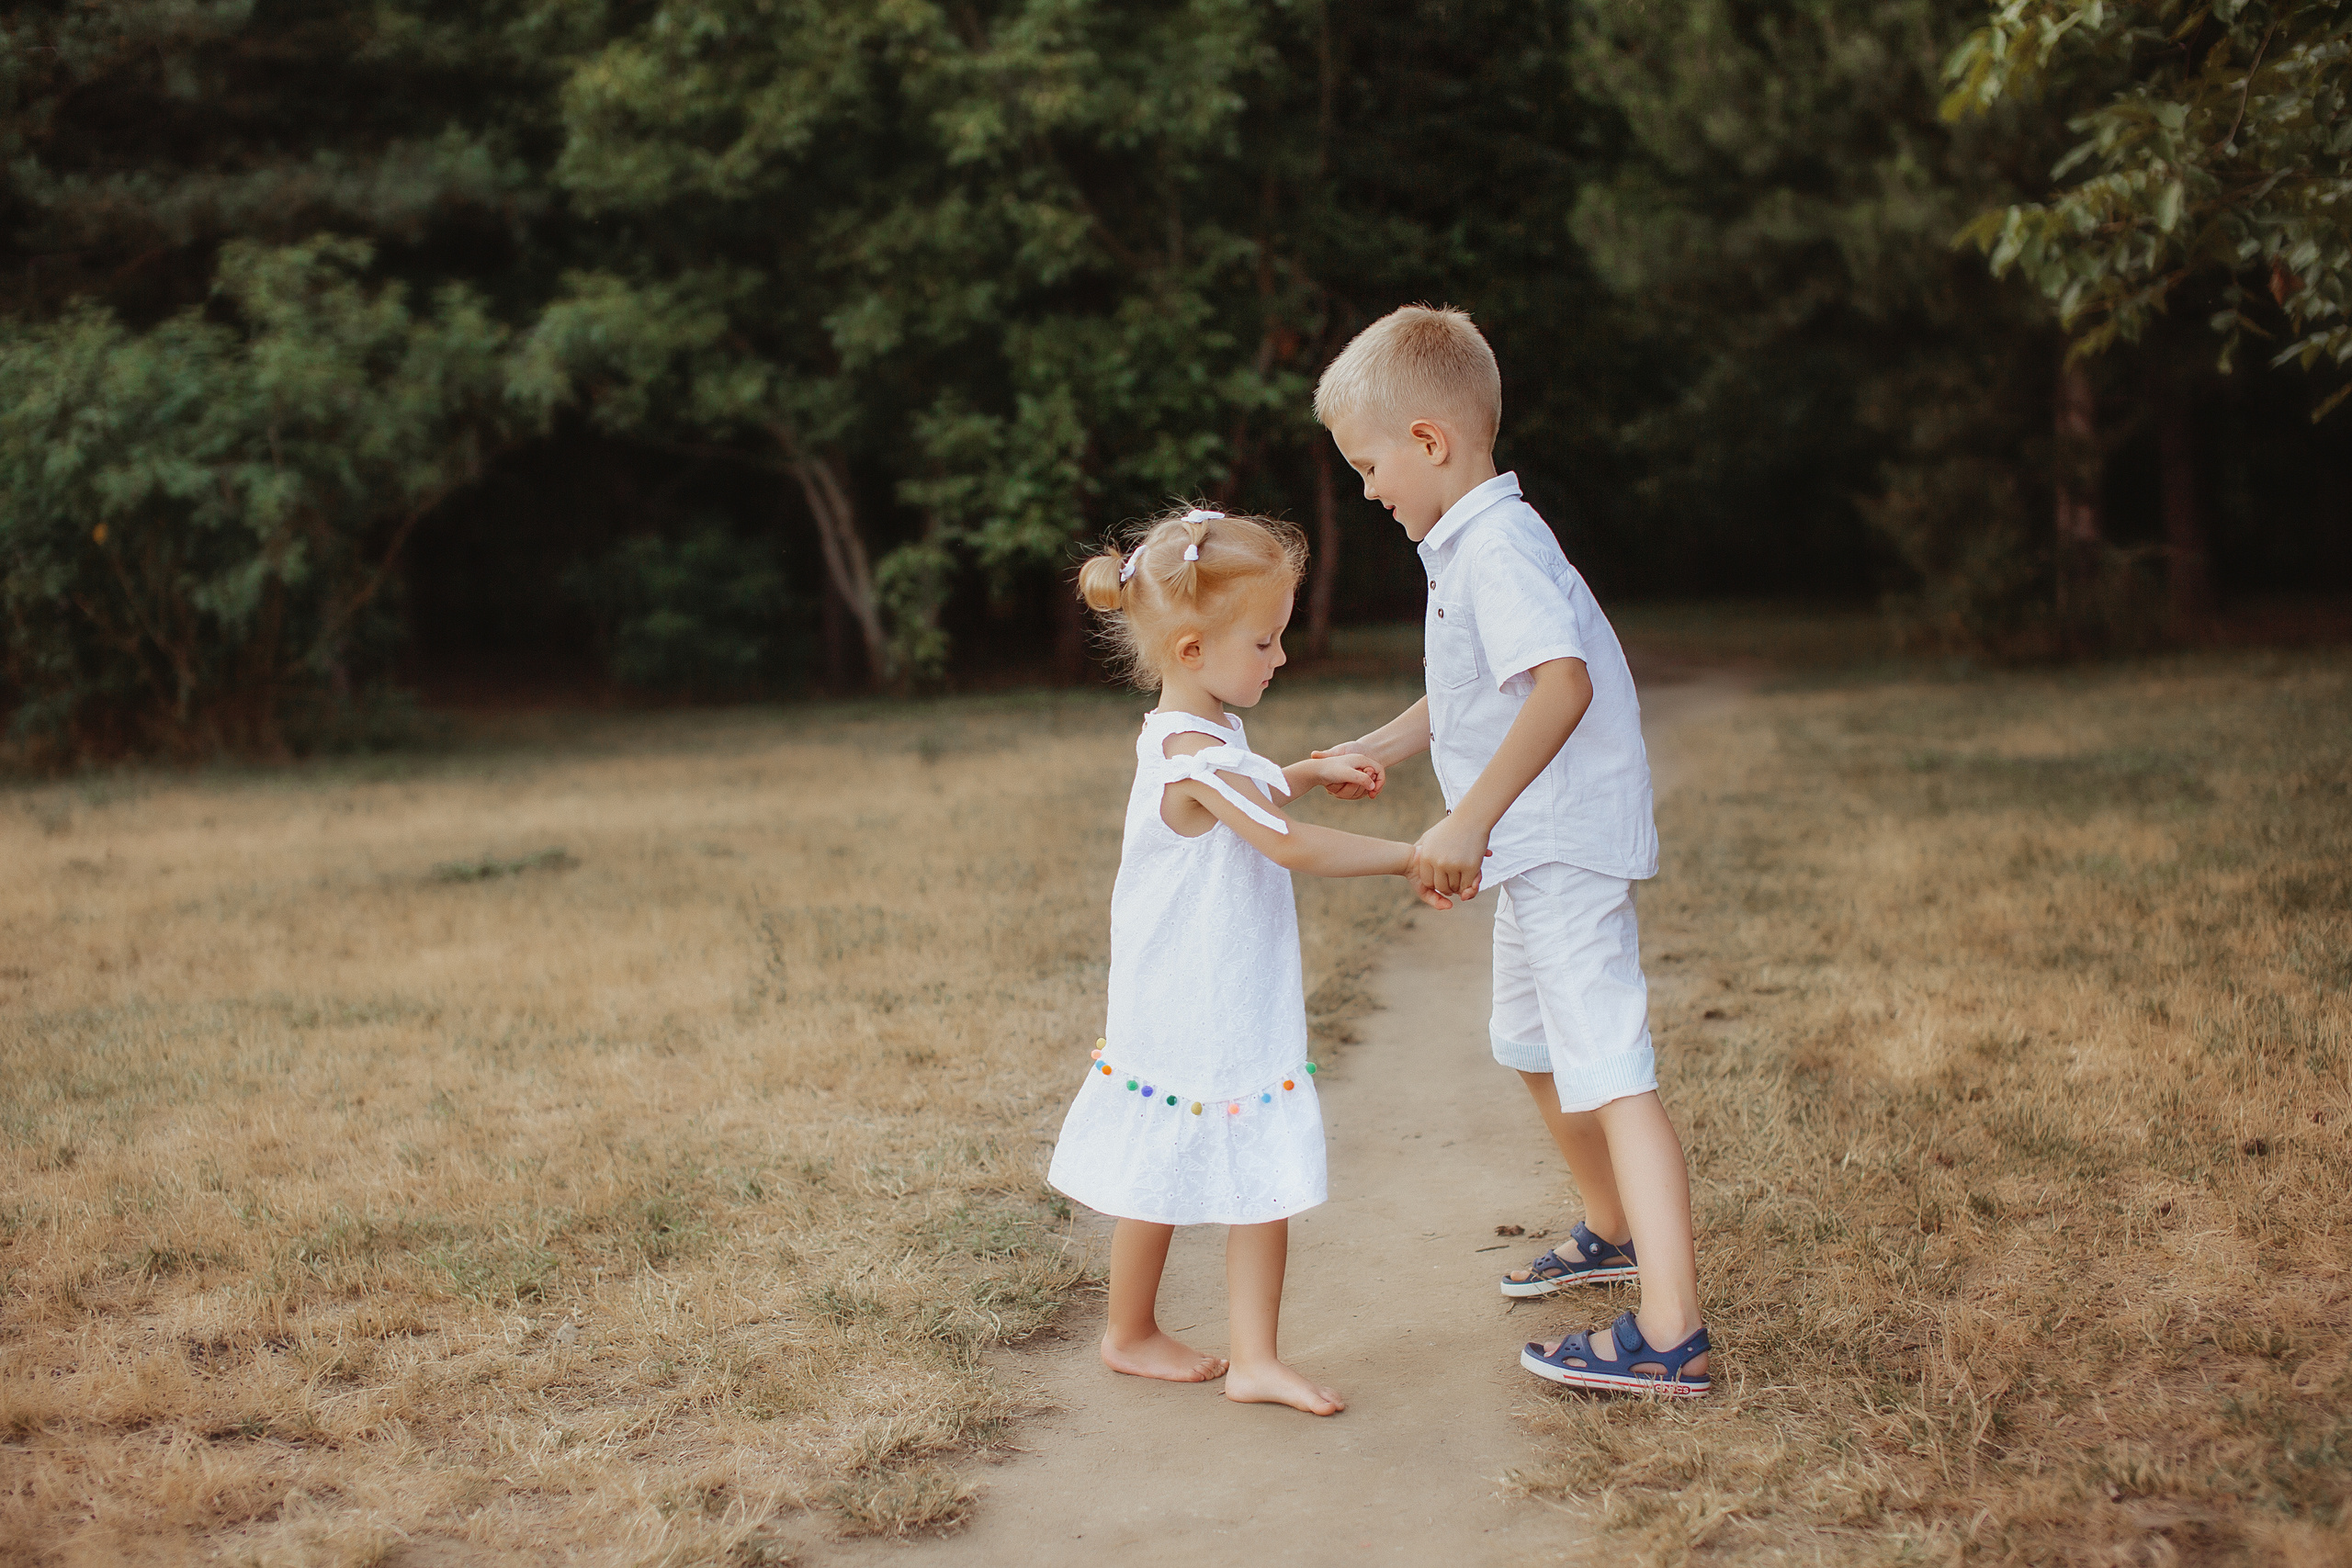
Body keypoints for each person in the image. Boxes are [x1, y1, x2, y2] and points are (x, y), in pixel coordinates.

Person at [1308, 305, 1712, 1397]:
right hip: (1532, 848)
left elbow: (1562, 686)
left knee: (1609, 1070)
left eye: (1369, 464)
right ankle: (1611, 1226)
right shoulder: (1467, 546)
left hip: (1561, 841)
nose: (1367, 489)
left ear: (1429, 441)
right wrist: (1377, 746)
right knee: (1529, 1045)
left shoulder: (1497, 546)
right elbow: (1472, 688)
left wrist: (1466, 821)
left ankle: (1671, 1332)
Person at [1046, 503, 1437, 1417]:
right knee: (1254, 1161)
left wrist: (1303, 769)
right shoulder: (1197, 757)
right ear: (1191, 651)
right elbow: (1288, 846)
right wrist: (1412, 854)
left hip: (1178, 990)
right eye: (1264, 643)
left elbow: (1246, 792)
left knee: (1166, 1155)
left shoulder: (1194, 737)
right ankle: (1249, 1358)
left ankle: (1131, 1330)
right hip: (1209, 999)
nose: (1280, 657)